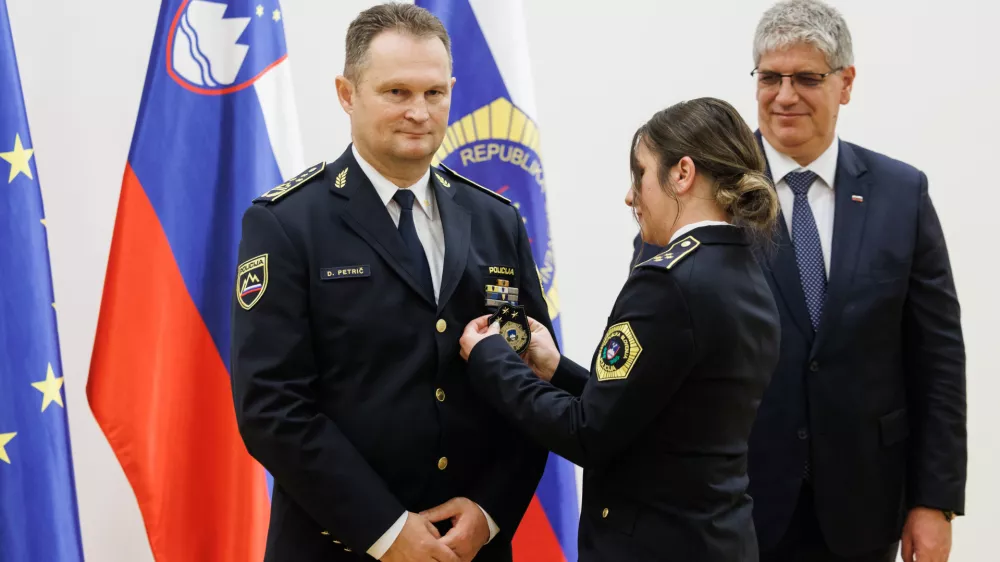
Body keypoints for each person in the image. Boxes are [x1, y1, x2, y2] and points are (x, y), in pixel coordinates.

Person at [632, 2, 968, 561]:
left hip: (866, 503)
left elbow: (937, 358)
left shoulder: (901, 194)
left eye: (807, 78)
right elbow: (657, 341)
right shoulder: (701, 192)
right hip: (732, 505)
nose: (785, 96)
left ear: (846, 83)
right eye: (770, 78)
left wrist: (934, 500)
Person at [229, 4, 553, 562]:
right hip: (340, 545)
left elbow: (528, 386)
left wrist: (489, 511)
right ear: (346, 93)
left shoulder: (496, 219)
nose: (419, 113)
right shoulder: (286, 223)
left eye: (434, 93)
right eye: (396, 92)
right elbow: (272, 407)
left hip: (469, 549)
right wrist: (385, 529)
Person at [460, 97, 783, 562]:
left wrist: (491, 356)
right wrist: (556, 369)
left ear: (682, 173)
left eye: (640, 174)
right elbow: (650, 409)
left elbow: (587, 433)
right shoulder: (744, 269)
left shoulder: (667, 282)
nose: (630, 197)